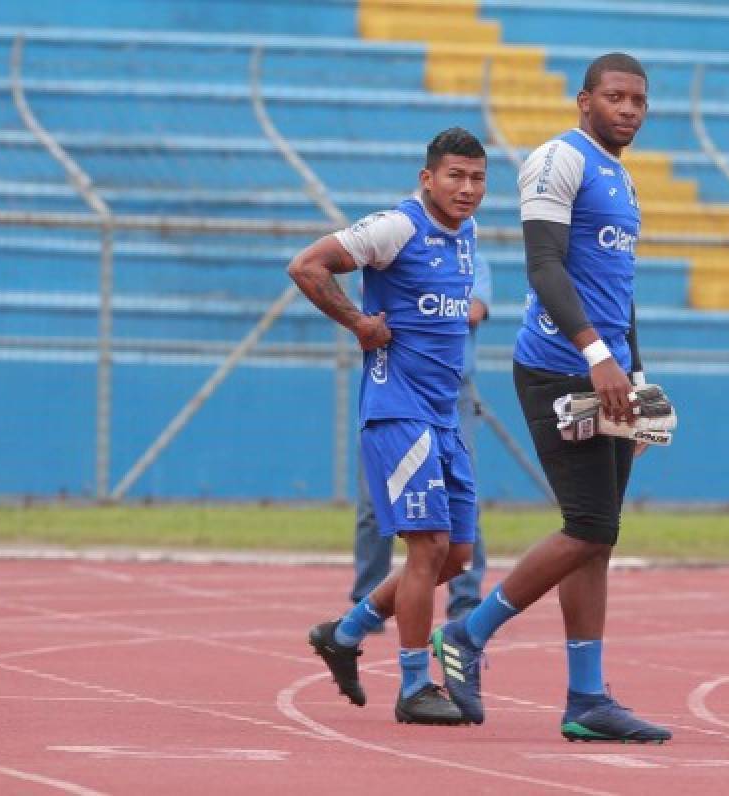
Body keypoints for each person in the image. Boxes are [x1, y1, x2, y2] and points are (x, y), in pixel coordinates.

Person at [431, 53, 672, 743]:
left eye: (638, 101)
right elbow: (545, 267)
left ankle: (586, 698)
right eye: (615, 96)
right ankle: (469, 634)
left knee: (599, 540)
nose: (628, 109)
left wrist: (637, 378)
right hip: (558, 368)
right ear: (584, 100)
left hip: (610, 372)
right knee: (590, 525)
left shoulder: (623, 181)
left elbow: (617, 293)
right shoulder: (555, 159)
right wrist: (597, 355)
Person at [287, 127, 487, 725]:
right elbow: (307, 266)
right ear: (427, 179)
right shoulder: (397, 227)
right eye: (455, 175)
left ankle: (344, 634)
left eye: (478, 178)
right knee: (425, 547)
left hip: (443, 415)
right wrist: (359, 323)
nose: (467, 188)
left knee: (456, 555)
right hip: (398, 412)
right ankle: (414, 686)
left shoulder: (468, 235)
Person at [349, 252, 492, 622]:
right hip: (397, 391)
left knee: (463, 501)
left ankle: (465, 602)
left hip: (452, 393)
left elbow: (475, 310)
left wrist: (416, 314)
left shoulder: (468, 252)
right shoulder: (388, 250)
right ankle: (367, 599)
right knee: (372, 504)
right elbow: (370, 311)